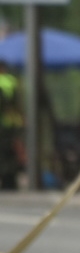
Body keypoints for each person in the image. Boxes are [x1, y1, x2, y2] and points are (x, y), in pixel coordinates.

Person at [0, 61, 25, 190]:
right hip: (12, 122)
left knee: (4, 153)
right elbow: (18, 102)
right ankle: (10, 181)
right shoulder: (12, 81)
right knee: (12, 152)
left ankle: (6, 179)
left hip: (3, 125)